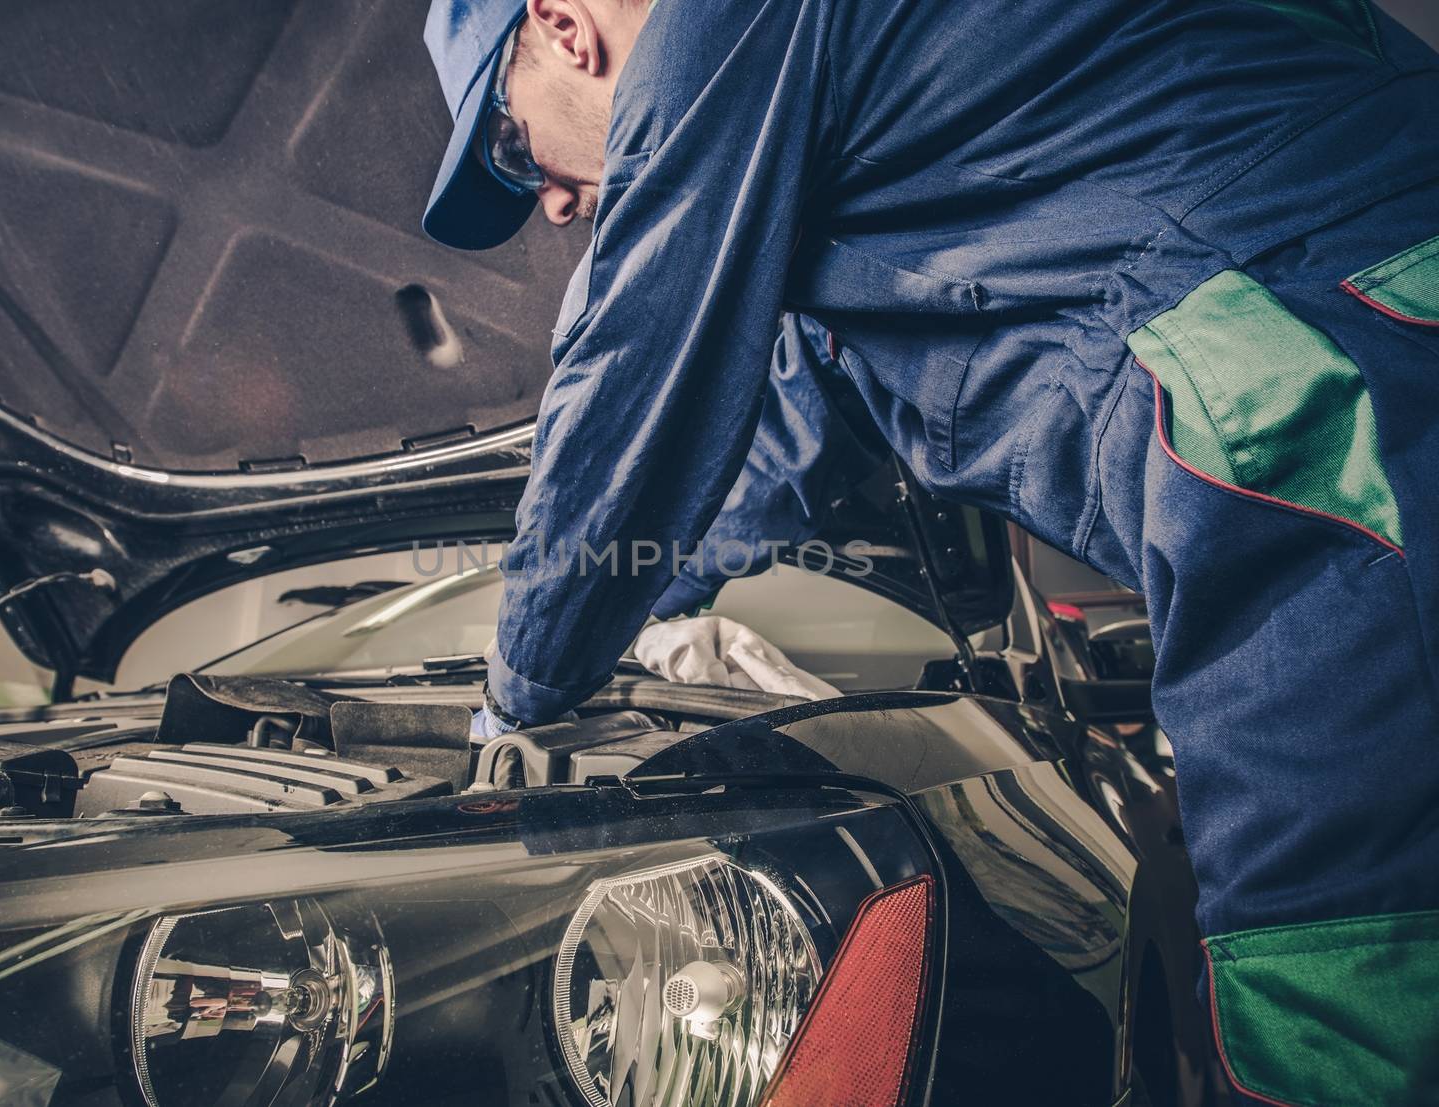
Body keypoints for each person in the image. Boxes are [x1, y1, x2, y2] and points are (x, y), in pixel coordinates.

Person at [421, 0, 1439, 1100]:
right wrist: (644, 606)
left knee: (1337, 969)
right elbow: (777, 441)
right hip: (1350, 334)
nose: (557, 204)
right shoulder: (880, 138)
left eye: (511, 149)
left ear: (567, 26)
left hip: (1322, 394)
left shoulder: (715, 30)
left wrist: (517, 696)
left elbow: (632, 377)